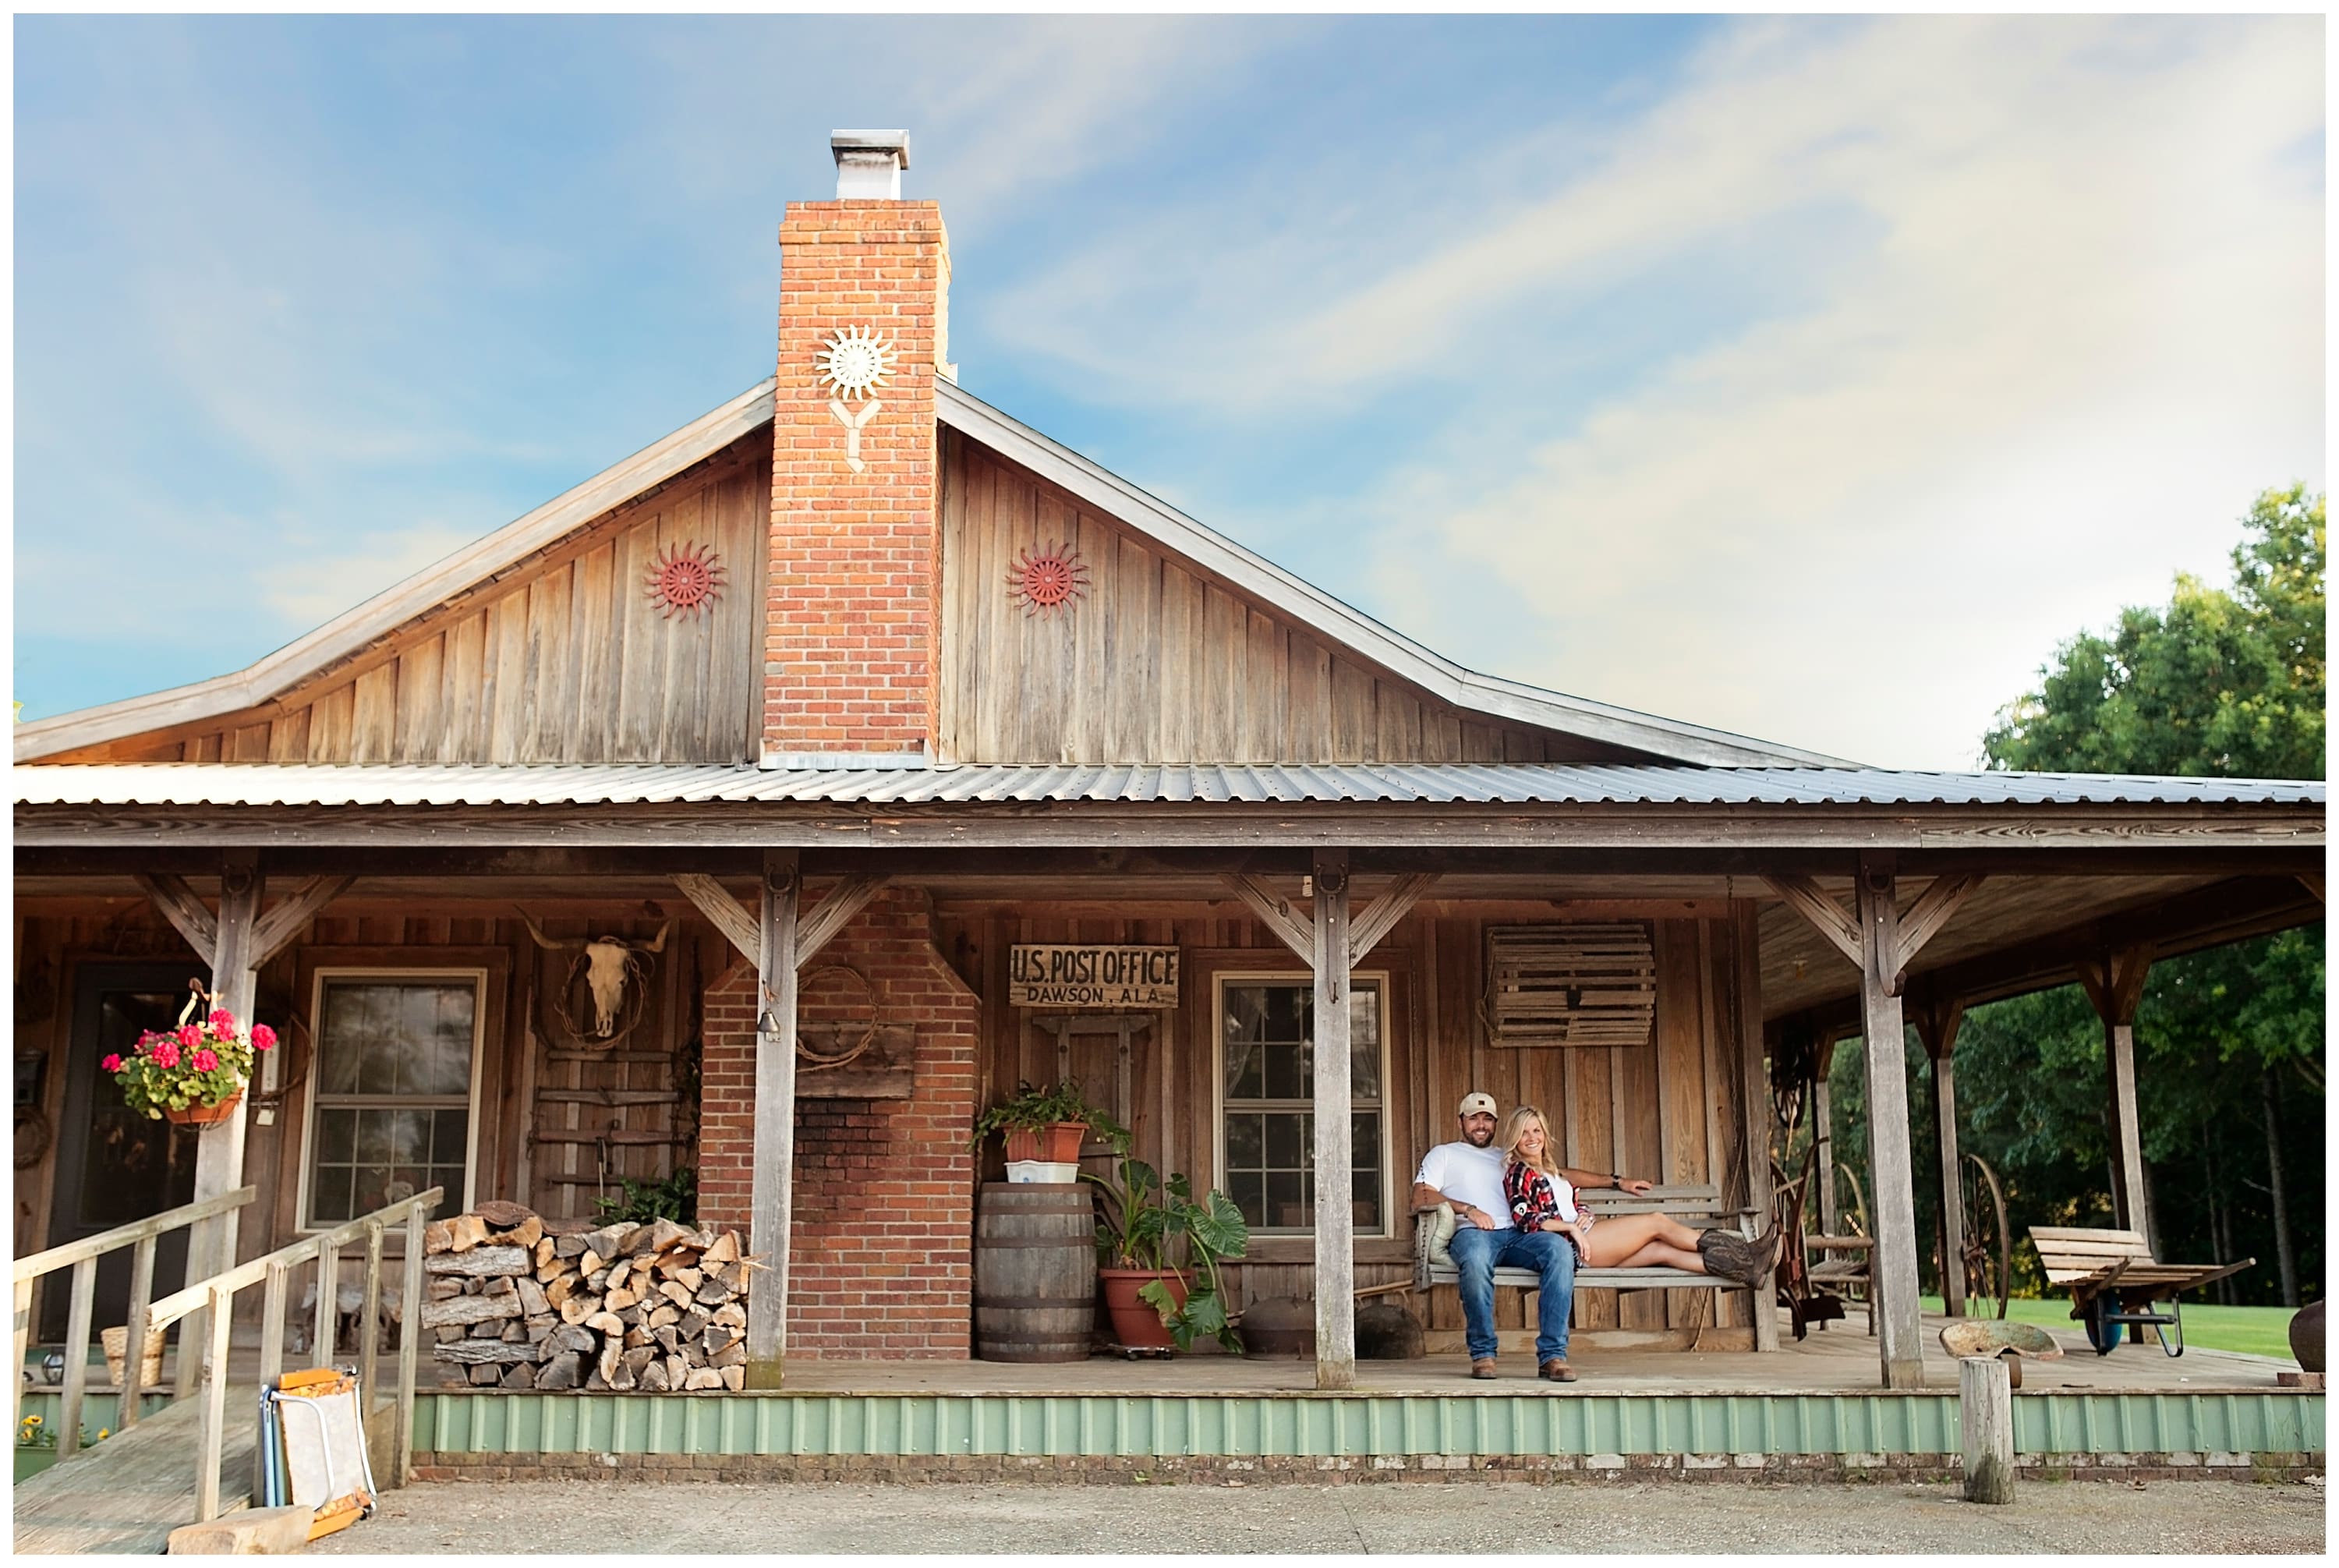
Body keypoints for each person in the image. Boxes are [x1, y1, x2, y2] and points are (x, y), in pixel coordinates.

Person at [1413, 1091, 1648, 1382]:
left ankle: (1552, 1356)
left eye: (1488, 1119)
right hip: (1474, 1232)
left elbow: (1560, 1174)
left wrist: (1616, 1181)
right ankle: (1483, 1353)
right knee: (1474, 1261)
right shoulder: (1444, 1154)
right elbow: (1420, 1196)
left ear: (1496, 1123)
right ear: (1460, 1121)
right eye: (1474, 1118)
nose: (1481, 1125)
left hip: (1520, 1232)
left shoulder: (1509, 1155)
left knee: (1559, 1252)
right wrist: (1468, 1209)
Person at [1499, 1105, 1780, 1286]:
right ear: (1515, 1137)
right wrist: (1571, 1227)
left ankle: (1748, 1271)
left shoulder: (1548, 1170)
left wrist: (1593, 1204)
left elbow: (1567, 1190)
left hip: (1586, 1237)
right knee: (1655, 1222)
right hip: (1572, 1247)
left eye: (1537, 1130)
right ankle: (1747, 1251)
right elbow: (1526, 1218)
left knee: (1662, 1251)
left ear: (1545, 1134)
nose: (1532, 1137)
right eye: (1524, 1133)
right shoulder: (1518, 1172)